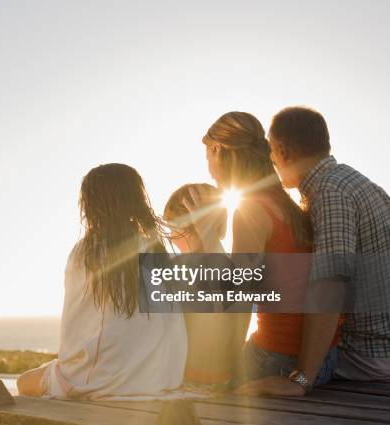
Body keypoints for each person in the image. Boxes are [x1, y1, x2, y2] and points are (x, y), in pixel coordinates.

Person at [182, 112, 341, 395]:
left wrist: (226, 370)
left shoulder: (251, 210)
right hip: (324, 360)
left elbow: (238, 302)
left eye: (207, 155)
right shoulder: (287, 204)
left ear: (217, 149)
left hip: (279, 362)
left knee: (188, 377)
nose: (208, 165)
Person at [241, 106, 389, 392]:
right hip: (379, 346)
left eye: (270, 151)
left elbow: (330, 286)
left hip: (364, 354)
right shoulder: (356, 181)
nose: (270, 160)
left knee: (241, 365)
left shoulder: (330, 193)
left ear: (282, 151)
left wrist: (301, 379)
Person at [17, 163, 188, 400]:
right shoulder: (157, 251)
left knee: (24, 382)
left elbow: (76, 331)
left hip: (103, 381)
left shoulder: (87, 251)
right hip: (162, 379)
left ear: (90, 205)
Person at [164, 183, 243, 393]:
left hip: (192, 381)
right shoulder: (227, 262)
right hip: (222, 378)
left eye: (171, 228)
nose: (170, 237)